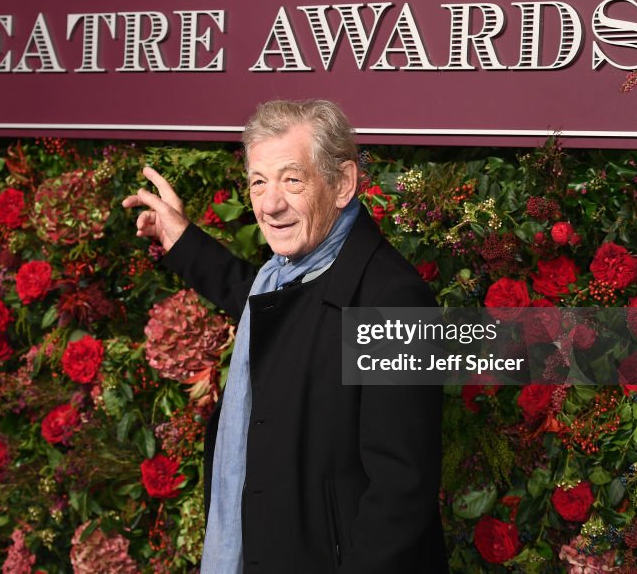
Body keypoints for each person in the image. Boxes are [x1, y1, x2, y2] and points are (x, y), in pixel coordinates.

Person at [122, 100, 447, 573]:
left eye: (292, 180)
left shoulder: (393, 301)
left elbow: (401, 493)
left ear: (342, 184)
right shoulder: (286, 277)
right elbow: (270, 310)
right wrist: (183, 240)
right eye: (258, 182)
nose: (270, 204)